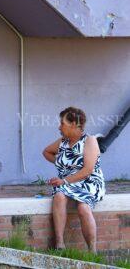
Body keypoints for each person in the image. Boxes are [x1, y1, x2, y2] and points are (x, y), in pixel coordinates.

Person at [43, 107, 105, 252]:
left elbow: (88, 170)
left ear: (73, 124)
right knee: (58, 196)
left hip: (89, 181)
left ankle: (92, 251)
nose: (59, 127)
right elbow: (46, 152)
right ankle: (59, 244)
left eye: (62, 123)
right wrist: (63, 165)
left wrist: (64, 180)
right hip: (70, 182)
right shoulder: (62, 142)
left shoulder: (89, 141)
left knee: (83, 207)